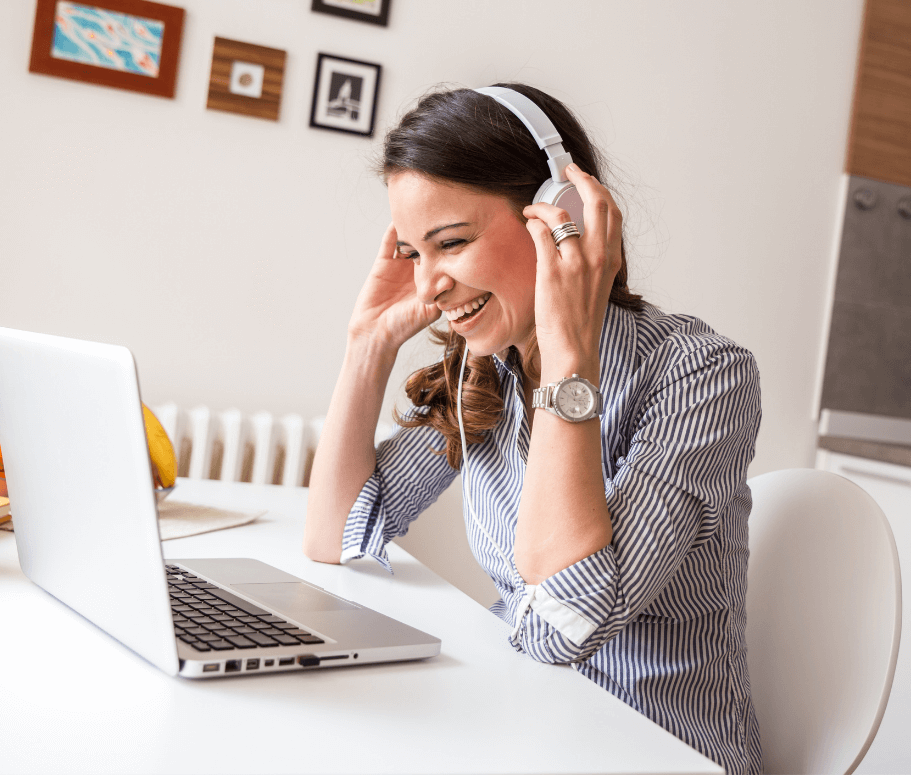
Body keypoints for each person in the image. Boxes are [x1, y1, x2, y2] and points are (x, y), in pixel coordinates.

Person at [303, 82, 762, 775]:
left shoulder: (702, 376)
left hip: (657, 754)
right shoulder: (486, 368)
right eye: (413, 254)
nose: (428, 286)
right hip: (523, 728)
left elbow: (561, 625)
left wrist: (568, 357)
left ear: (559, 216)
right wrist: (367, 345)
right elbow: (334, 536)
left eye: (450, 243)